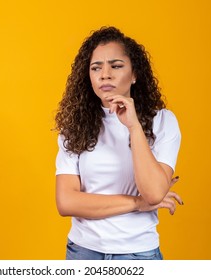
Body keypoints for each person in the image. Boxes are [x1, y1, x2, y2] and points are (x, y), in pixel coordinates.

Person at [54, 26, 183, 260]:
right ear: (88, 76)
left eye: (116, 66)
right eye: (96, 68)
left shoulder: (162, 121)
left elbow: (153, 193)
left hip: (138, 254)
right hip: (83, 253)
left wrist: (134, 127)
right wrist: (137, 203)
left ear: (134, 74)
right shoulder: (74, 127)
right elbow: (66, 202)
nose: (105, 74)